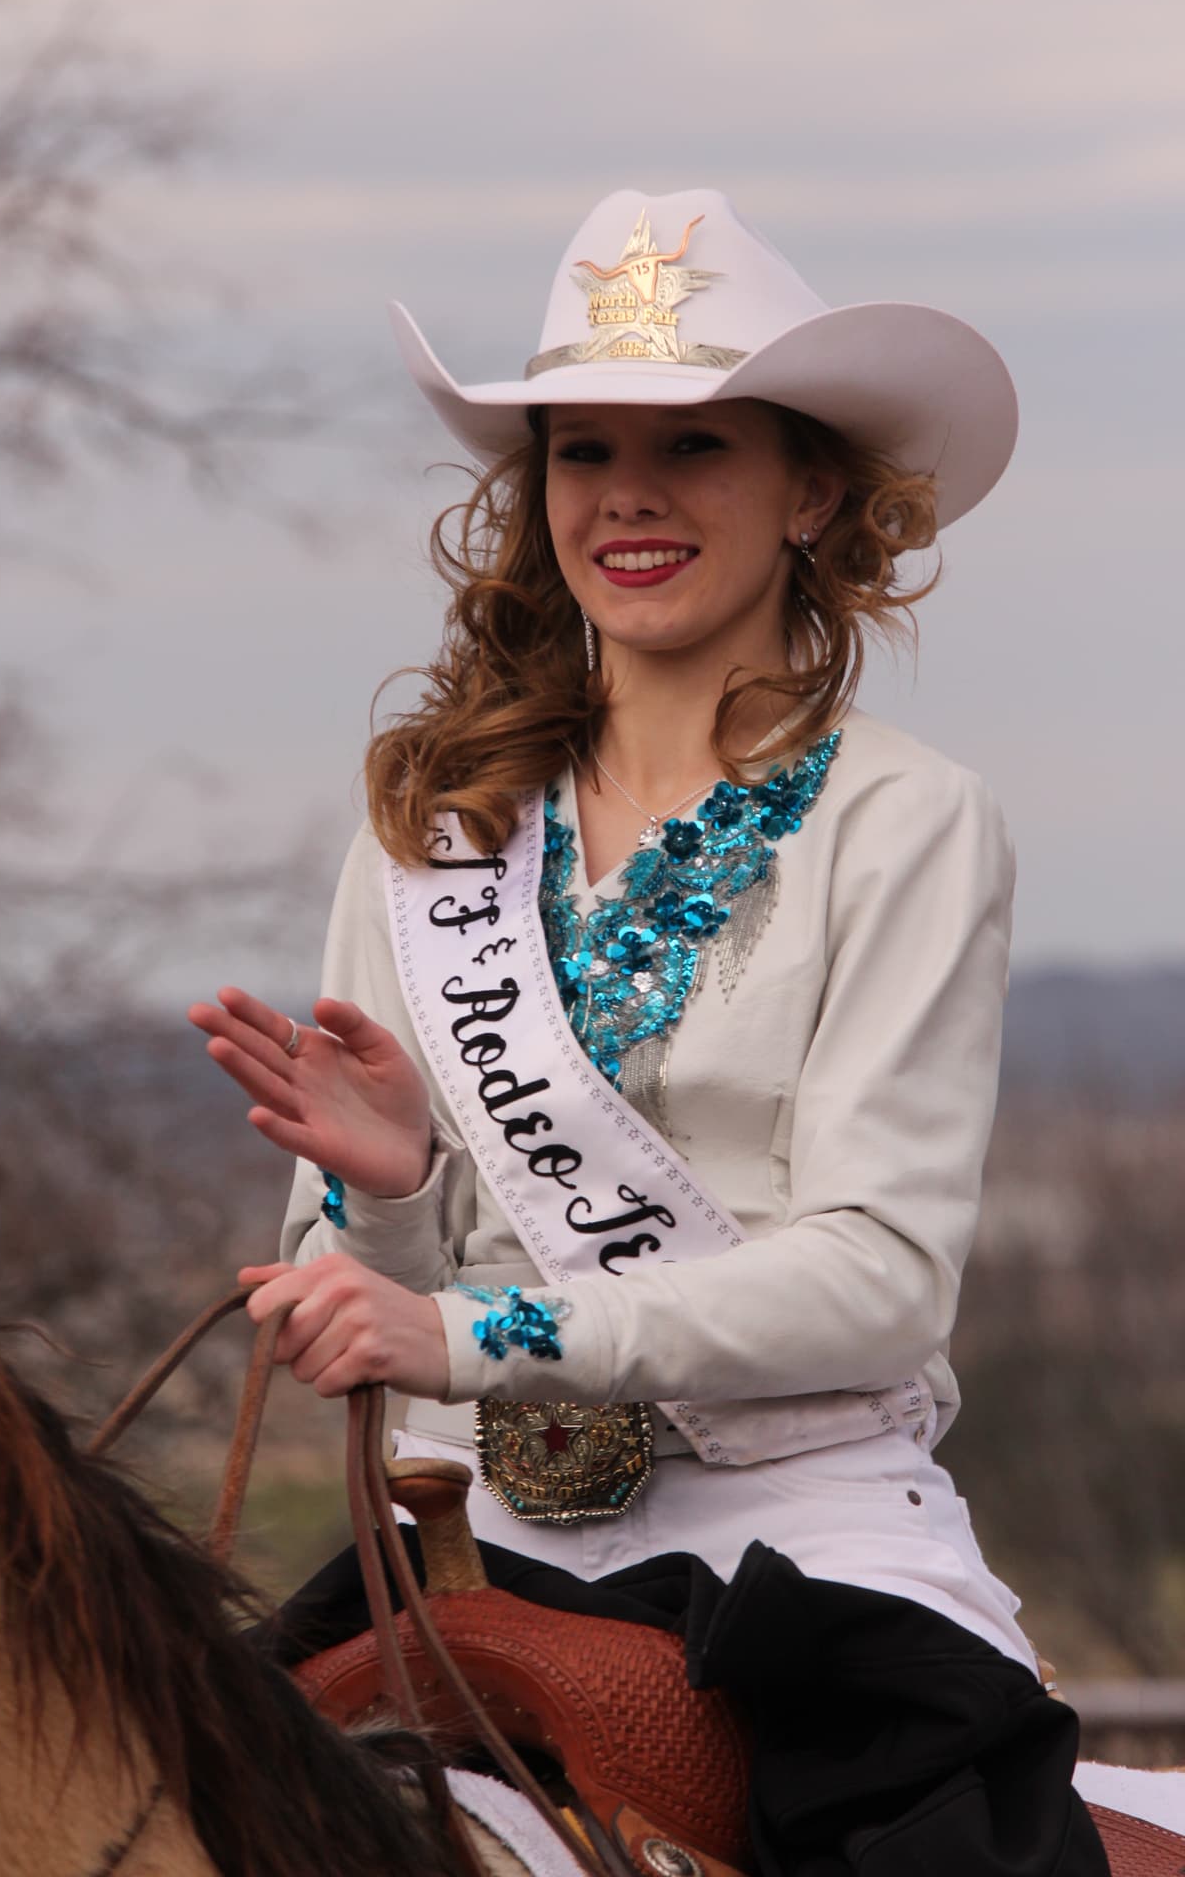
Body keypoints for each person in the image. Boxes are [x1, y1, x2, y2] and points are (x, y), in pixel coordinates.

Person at [189, 190, 1108, 1874]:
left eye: (692, 445)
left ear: (812, 493)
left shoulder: (904, 821)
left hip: (797, 1541)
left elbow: (882, 1278)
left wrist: (468, 1332)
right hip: (464, 1530)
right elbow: (346, 1285)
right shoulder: (430, 837)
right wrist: (389, 1200)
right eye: (583, 450)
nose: (627, 494)